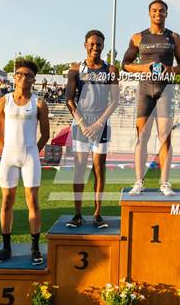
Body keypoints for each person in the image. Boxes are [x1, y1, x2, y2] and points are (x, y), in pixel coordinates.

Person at [122, 0, 180, 196]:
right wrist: (142, 67)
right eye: (155, 10)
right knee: (142, 137)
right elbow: (126, 63)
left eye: (162, 11)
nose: (158, 13)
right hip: (145, 90)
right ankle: (138, 182)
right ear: (149, 13)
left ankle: (165, 182)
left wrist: (171, 69)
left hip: (165, 90)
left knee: (165, 137)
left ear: (167, 14)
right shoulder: (138, 37)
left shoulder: (174, 37)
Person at [0, 60, 50, 264]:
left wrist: (33, 152)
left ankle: (35, 248)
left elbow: (45, 134)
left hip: (30, 155)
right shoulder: (2, 102)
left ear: (34, 79)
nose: (23, 78)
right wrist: (6, 151)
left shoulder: (39, 103)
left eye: (28, 75)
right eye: (20, 74)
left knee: (32, 201)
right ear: (14, 76)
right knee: (7, 200)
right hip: (8, 155)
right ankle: (6, 248)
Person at [65, 30, 119, 228]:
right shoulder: (75, 69)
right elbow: (69, 100)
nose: (95, 48)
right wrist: (82, 123)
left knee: (99, 168)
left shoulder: (111, 70)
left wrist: (98, 124)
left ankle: (97, 214)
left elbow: (115, 101)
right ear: (85, 45)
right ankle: (78, 214)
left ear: (103, 46)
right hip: (81, 122)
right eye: (92, 44)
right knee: (79, 169)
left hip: (101, 123)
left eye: (99, 45)